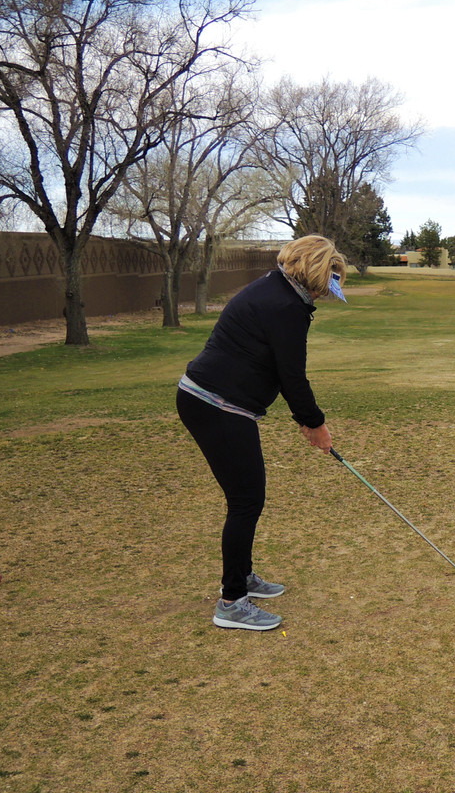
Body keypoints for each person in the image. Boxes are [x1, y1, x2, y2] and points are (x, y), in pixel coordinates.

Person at [176, 235, 347, 631]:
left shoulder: (274, 288)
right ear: (316, 271)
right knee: (246, 500)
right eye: (327, 280)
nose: (325, 292)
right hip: (215, 405)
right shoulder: (286, 306)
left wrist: (307, 421)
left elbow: (278, 369)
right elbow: (292, 377)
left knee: (246, 498)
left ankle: (244, 577)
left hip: (211, 400)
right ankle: (232, 601)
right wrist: (315, 425)